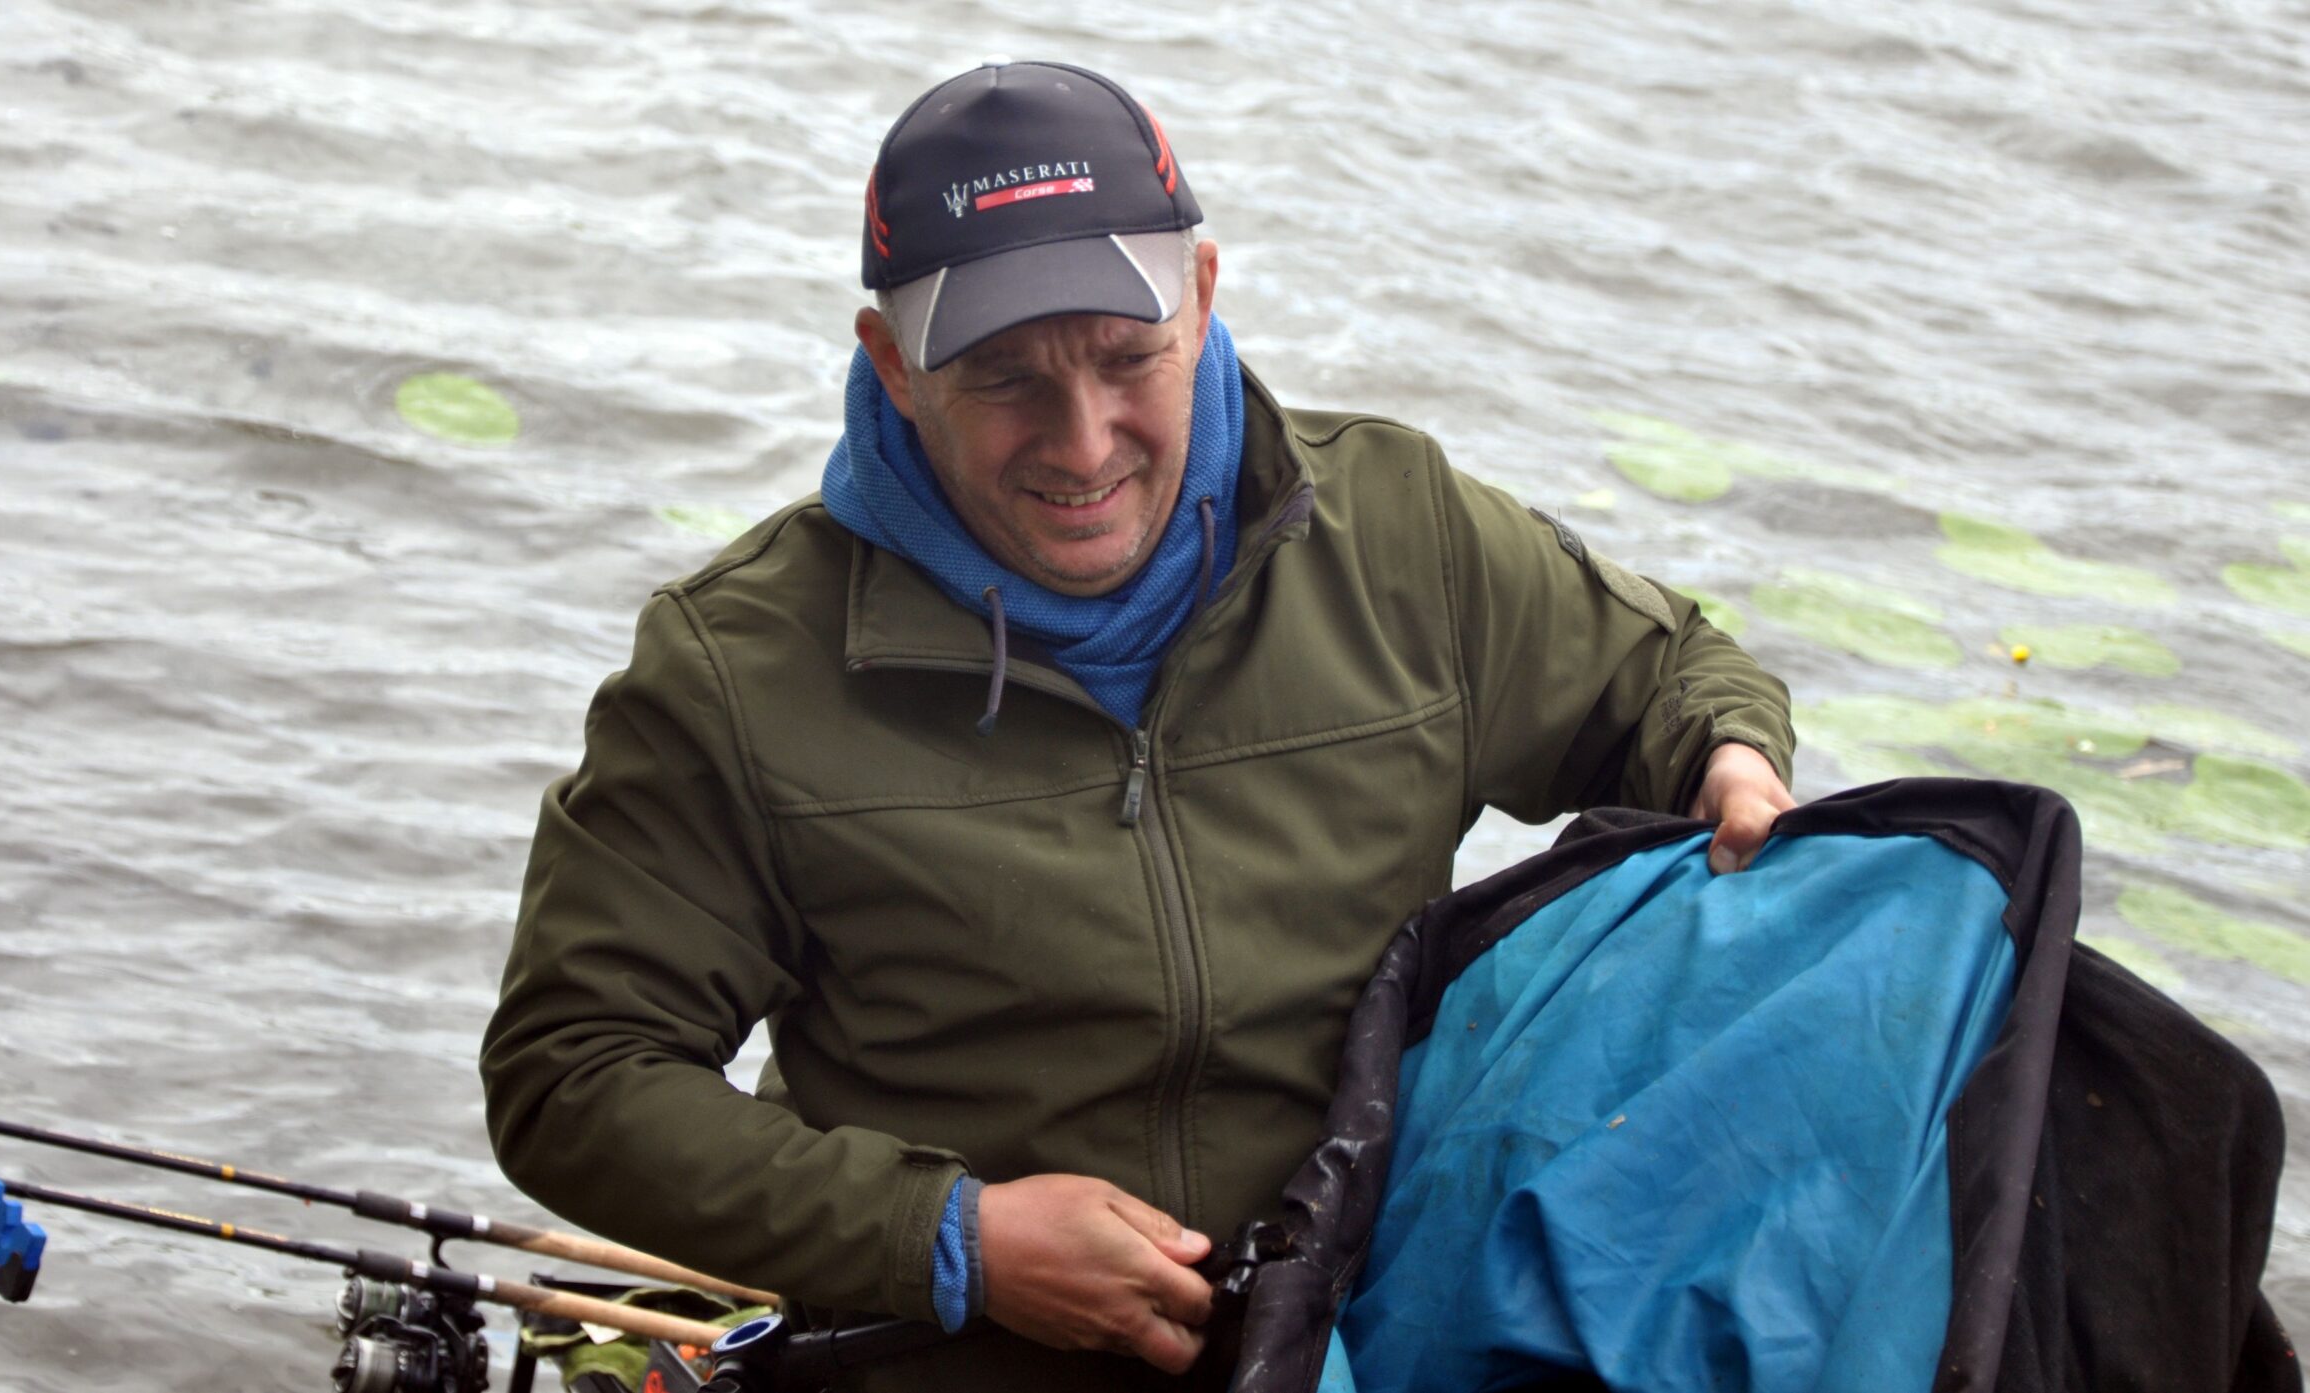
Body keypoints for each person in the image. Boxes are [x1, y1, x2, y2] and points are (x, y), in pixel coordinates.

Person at [482, 59, 1796, 1392]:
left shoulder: (1403, 533)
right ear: (894, 364)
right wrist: (956, 1240)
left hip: (1359, 1336)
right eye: (1005, 379)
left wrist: (1728, 757)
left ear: (1203, 295)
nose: (1084, 441)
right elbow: (572, 1073)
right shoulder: (732, 670)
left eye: (1128, 359)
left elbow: (1669, 675)